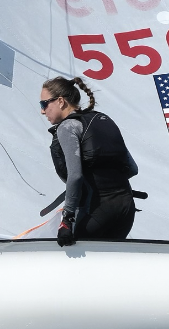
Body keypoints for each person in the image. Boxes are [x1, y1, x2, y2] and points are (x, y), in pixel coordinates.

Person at [40, 76, 139, 247]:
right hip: (126, 208)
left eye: (44, 104)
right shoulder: (104, 120)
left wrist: (67, 220)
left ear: (61, 102)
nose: (42, 111)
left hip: (96, 211)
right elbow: (132, 168)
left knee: (76, 266)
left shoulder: (68, 126)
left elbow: (75, 176)